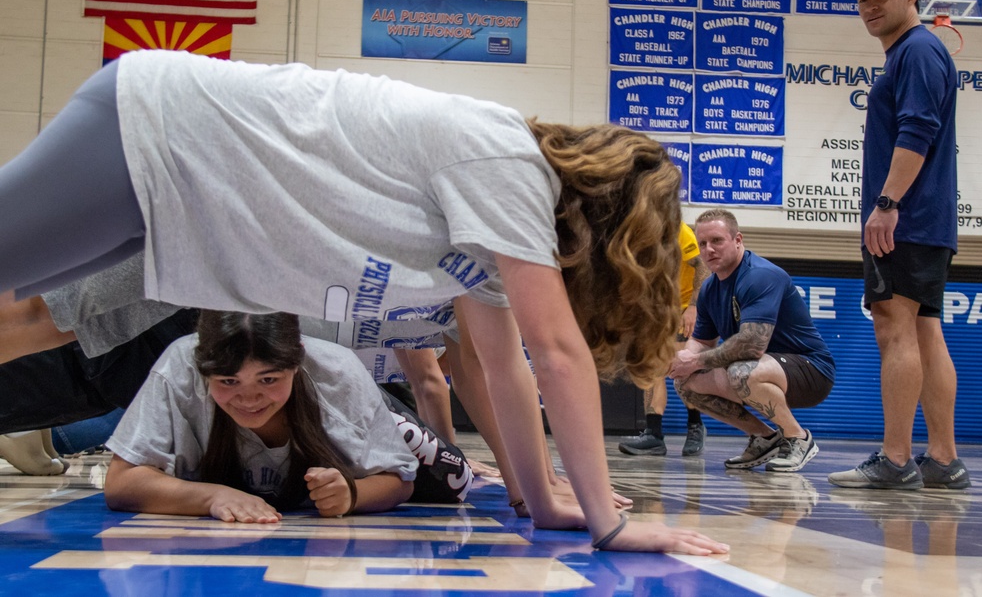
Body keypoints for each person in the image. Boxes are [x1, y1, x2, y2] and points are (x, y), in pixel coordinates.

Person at [0, 51, 727, 555]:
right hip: (160, 126)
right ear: (605, 213)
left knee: (20, 323)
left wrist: (540, 500)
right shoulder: (511, 163)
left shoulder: (495, 233)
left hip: (199, 204)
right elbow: (558, 353)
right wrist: (606, 522)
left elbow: (504, 370)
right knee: (20, 304)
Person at [104, 311, 471, 522]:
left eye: (268, 379)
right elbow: (121, 483)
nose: (249, 398)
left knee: (459, 478)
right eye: (228, 381)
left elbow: (399, 480)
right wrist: (211, 497)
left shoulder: (338, 373)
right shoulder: (178, 365)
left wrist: (351, 493)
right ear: (202, 370)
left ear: (297, 361)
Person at [828, 0, 969, 490]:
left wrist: (887, 203)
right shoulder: (914, 54)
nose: (869, 6)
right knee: (925, 331)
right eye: (862, 0)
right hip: (923, 221)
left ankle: (895, 459)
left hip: (906, 221)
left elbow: (918, 130)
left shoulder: (917, 51)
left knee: (894, 327)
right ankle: (943, 459)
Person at [668, 209, 836, 473]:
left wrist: (696, 359)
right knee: (686, 382)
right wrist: (682, 361)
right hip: (761, 369)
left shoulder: (760, 275)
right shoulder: (710, 288)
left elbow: (752, 344)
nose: (708, 249)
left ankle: (798, 438)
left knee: (742, 370)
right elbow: (701, 340)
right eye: (703, 244)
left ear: (738, 240)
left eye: (717, 241)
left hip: (810, 371)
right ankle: (765, 438)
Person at [618, 222, 709, 457]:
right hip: (655, 309)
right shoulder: (635, 231)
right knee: (651, 370)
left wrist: (694, 307)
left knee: (683, 366)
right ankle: (653, 434)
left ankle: (695, 425)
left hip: (683, 307)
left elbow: (702, 266)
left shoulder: (680, 231)